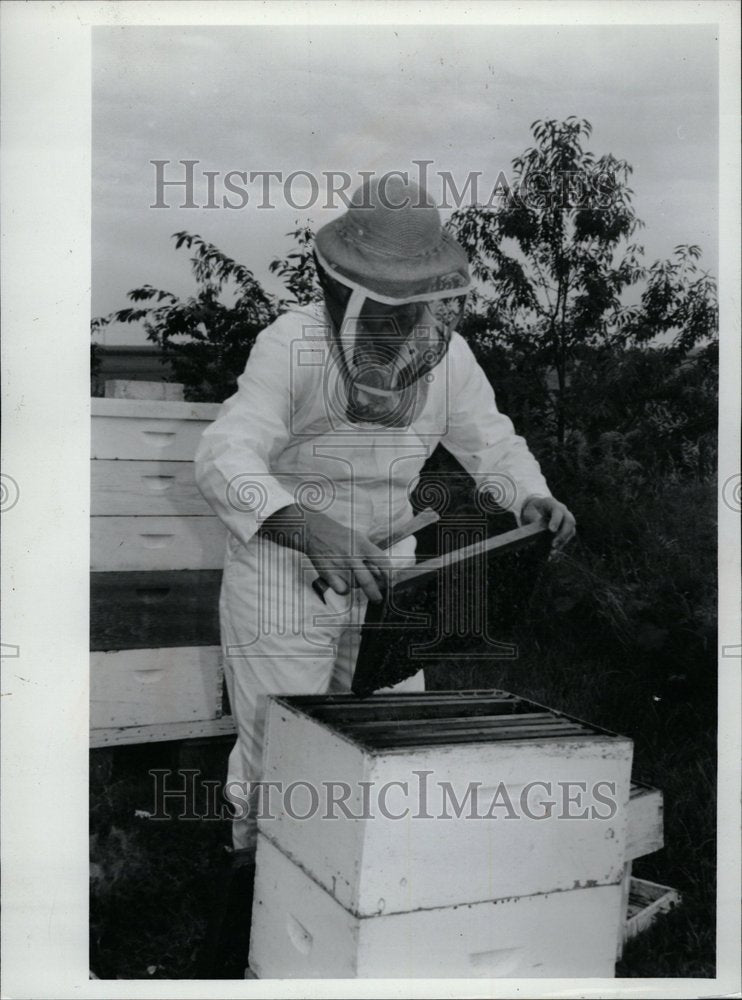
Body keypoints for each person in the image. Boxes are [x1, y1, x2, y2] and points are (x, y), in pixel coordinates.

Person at [194, 175, 576, 856]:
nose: (400, 321)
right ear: (346, 288)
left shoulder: (448, 356)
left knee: (384, 736)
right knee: (276, 746)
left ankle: (352, 894)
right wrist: (306, 526)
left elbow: (490, 439)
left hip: (389, 571)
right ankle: (252, 890)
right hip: (285, 571)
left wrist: (529, 494)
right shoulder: (291, 345)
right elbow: (225, 455)